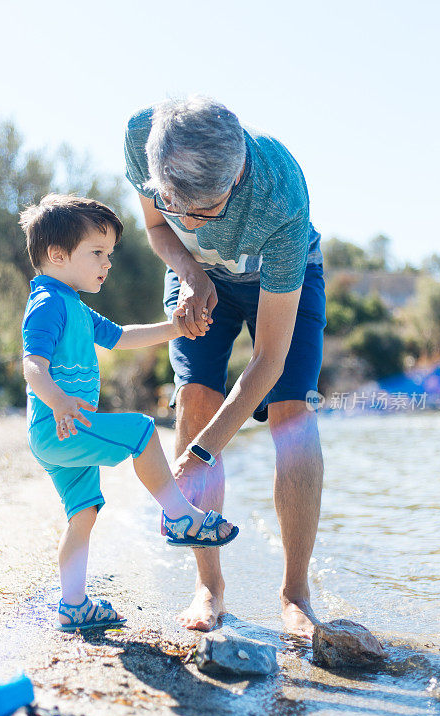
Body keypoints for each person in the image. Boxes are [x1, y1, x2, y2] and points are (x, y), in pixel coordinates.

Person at [124, 97, 327, 637]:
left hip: (278, 277)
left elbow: (268, 361)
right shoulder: (142, 137)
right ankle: (209, 588)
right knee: (195, 399)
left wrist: (202, 453)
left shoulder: (279, 196)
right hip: (195, 276)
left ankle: (295, 595)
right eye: (178, 204)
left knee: (292, 417)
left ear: (236, 179)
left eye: (205, 210)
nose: (188, 220)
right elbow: (157, 227)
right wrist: (190, 270)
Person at [19, 194, 238, 632]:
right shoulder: (47, 304)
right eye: (97, 253)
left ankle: (73, 604)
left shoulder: (75, 306)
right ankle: (179, 513)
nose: (107, 263)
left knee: (83, 514)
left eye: (110, 254)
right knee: (141, 430)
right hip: (59, 426)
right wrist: (59, 401)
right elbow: (31, 366)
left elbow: (120, 337)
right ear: (57, 255)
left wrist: (175, 328)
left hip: (61, 433)